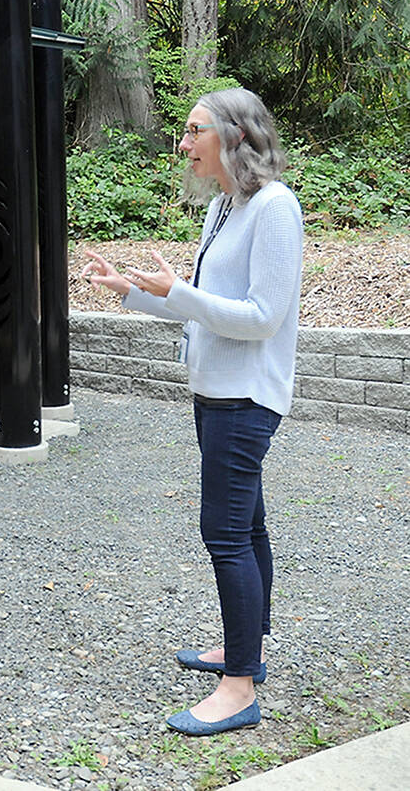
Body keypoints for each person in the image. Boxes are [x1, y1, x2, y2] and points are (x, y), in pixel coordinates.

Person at [81, 87, 303, 736]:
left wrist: (179, 290)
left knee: (226, 534)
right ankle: (248, 653)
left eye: (194, 130)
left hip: (247, 399)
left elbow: (263, 319)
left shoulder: (274, 208)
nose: (184, 143)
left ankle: (238, 688)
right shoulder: (224, 208)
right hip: (212, 395)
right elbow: (201, 304)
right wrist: (136, 293)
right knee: (249, 527)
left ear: (234, 135)